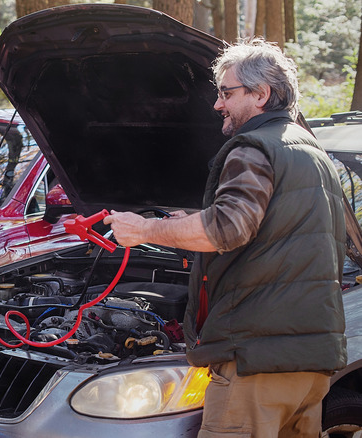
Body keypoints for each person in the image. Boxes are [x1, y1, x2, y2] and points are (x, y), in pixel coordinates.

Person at [103, 38, 347, 437]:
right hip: (310, 364)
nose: (217, 104)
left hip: (256, 365)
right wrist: (196, 218)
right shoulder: (310, 150)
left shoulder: (254, 147)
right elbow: (273, 227)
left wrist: (144, 229)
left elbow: (227, 230)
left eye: (226, 93)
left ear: (262, 94)